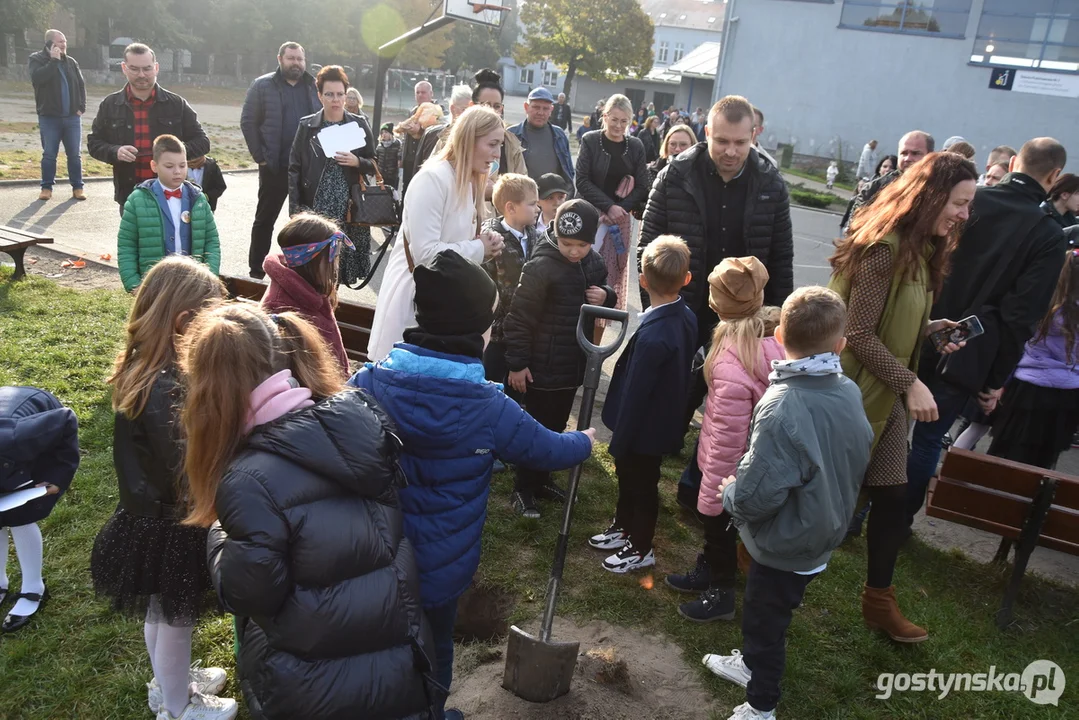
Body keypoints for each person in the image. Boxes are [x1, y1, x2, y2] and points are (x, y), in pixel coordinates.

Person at [348, 249, 594, 720]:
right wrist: (582, 442)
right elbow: (543, 449)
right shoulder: (487, 407)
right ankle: (433, 713)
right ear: (474, 329)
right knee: (438, 645)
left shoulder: (370, 383)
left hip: (377, 555)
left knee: (383, 645)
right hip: (442, 565)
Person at [183, 302, 440, 720]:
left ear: (209, 388)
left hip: (316, 685)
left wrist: (219, 534)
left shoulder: (249, 481)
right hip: (399, 660)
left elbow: (249, 592)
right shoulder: (356, 424)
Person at [701, 287, 873, 720]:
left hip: (786, 542)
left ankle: (761, 705)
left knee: (765, 623)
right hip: (824, 527)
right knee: (771, 612)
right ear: (840, 345)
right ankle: (752, 666)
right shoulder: (849, 390)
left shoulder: (782, 404)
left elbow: (759, 494)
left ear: (778, 334)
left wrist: (729, 492)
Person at [829, 151, 978, 643]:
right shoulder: (885, 249)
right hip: (851, 397)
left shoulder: (921, 252)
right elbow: (858, 333)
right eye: (958, 203)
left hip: (883, 398)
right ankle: (743, 555)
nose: (963, 215)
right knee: (818, 495)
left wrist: (929, 329)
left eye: (967, 205)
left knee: (892, 499)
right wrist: (911, 382)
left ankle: (879, 602)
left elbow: (887, 328)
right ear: (931, 196)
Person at [89, 257, 235, 720]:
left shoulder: (145, 368)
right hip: (173, 520)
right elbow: (184, 462)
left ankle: (168, 681)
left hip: (145, 516)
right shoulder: (168, 387)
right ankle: (178, 706)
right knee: (175, 619)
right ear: (185, 323)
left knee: (160, 610)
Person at [640, 95, 793, 510]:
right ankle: (644, 485)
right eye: (722, 140)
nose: (730, 151)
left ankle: (698, 488)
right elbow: (649, 246)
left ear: (754, 136)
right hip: (683, 309)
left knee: (730, 414)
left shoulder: (770, 182)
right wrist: (657, 311)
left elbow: (781, 257)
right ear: (707, 131)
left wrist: (775, 325)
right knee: (674, 399)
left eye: (740, 143)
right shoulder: (676, 175)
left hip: (745, 319)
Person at [905, 138, 1069, 527]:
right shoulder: (1048, 234)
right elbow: (1021, 316)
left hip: (917, 322)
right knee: (928, 439)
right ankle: (897, 520)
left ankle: (858, 512)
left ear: (1013, 163)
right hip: (971, 351)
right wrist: (995, 380)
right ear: (1055, 176)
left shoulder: (969, 200)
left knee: (890, 426)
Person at [665, 257, 785, 623]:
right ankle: (708, 567)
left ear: (719, 304)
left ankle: (722, 591)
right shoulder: (768, 340)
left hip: (729, 467)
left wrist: (715, 485)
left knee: (718, 525)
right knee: (719, 531)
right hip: (742, 461)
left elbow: (729, 431)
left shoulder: (733, 358)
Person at [504, 199, 616, 517]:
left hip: (571, 364)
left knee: (555, 426)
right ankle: (523, 488)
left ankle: (542, 479)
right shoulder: (541, 265)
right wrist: (517, 363)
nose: (574, 252)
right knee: (535, 427)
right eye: (568, 244)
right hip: (540, 366)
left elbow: (605, 292)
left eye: (582, 245)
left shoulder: (592, 262)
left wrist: (606, 295)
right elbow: (519, 317)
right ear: (555, 233)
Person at [368, 106, 507, 361]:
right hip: (414, 303)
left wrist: (483, 244)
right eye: (493, 144)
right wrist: (479, 249)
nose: (497, 154)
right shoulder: (433, 178)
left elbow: (452, 242)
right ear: (468, 139)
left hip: (442, 306)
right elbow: (426, 254)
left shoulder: (466, 181)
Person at [590, 237, 695, 573]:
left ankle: (640, 546)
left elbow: (636, 394)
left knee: (641, 485)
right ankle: (624, 526)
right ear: (687, 279)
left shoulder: (654, 337)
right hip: (656, 423)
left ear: (643, 281)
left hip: (642, 430)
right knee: (630, 481)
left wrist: (618, 443)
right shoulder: (686, 316)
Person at [88, 43, 209, 212]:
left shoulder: (176, 104)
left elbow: (203, 142)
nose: (142, 74)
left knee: (174, 239)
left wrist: (173, 155)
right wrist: (114, 151)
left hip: (171, 194)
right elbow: (94, 143)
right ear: (124, 68)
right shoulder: (110, 105)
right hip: (130, 195)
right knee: (133, 239)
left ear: (156, 68)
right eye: (134, 69)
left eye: (147, 68)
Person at [988, 250, 1079, 469]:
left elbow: (1019, 343)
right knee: (1045, 461)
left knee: (1007, 454)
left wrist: (1000, 382)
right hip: (1067, 394)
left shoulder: (1044, 305)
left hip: (1027, 389)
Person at [0, 386, 78, 636]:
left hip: (34, 436)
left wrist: (56, 477)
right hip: (7, 455)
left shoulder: (19, 437)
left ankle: (34, 587)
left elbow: (65, 420)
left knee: (20, 516)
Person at [288, 65, 377, 283]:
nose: (335, 100)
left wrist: (358, 162)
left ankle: (331, 311)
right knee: (315, 269)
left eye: (340, 94)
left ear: (346, 96)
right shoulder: (307, 125)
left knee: (340, 270)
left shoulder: (359, 123)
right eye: (329, 94)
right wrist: (294, 212)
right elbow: (294, 168)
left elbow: (374, 163)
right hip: (316, 205)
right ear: (320, 96)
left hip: (349, 206)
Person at [240, 42, 320, 278]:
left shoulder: (315, 86)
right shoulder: (262, 85)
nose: (296, 63)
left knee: (305, 224)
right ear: (280, 59)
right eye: (291, 58)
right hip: (274, 167)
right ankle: (256, 272)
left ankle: (302, 276)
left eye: (300, 59)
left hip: (307, 170)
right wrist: (261, 158)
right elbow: (248, 122)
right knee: (265, 220)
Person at [575, 94, 651, 331]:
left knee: (610, 274)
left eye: (624, 121)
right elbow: (583, 181)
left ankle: (598, 327)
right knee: (582, 266)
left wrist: (621, 208)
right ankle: (575, 317)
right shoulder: (590, 140)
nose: (618, 126)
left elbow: (643, 185)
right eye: (614, 119)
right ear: (604, 116)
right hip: (591, 214)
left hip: (620, 220)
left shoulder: (635, 145)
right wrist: (608, 206)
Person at [117, 135, 221, 293]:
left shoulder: (198, 199)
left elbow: (212, 241)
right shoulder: (137, 200)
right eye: (169, 166)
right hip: (153, 288)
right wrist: (133, 284)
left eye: (182, 165)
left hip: (192, 286)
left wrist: (209, 278)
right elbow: (127, 245)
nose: (177, 172)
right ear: (154, 166)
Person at [261, 213, 351, 374]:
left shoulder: (310, 289)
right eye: (333, 258)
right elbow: (296, 373)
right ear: (310, 260)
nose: (336, 266)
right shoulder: (281, 308)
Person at [482, 174, 543, 400]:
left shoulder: (538, 238)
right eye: (531, 203)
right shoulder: (492, 240)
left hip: (526, 334)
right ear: (511, 207)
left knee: (517, 398)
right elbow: (486, 290)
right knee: (493, 394)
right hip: (496, 337)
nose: (537, 208)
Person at [28, 29, 86, 201]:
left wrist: (81, 107)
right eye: (60, 42)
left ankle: (78, 187)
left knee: (74, 155)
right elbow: (37, 79)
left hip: (72, 118)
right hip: (49, 117)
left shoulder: (71, 62)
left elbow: (81, 85)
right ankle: (46, 188)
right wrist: (53, 61)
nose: (64, 45)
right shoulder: (36, 60)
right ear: (50, 44)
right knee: (49, 154)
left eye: (64, 41)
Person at [844, 131, 934, 230]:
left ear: (930, 155)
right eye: (904, 153)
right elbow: (854, 225)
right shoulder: (876, 187)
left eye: (915, 153)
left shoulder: (938, 190)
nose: (908, 158)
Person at [468, 69, 528, 208]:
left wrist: (497, 190)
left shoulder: (511, 144)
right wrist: (476, 189)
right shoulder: (451, 140)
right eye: (485, 105)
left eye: (497, 106)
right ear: (472, 106)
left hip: (499, 224)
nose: (492, 111)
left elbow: (523, 188)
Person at [508, 87, 575, 187]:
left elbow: (568, 171)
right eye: (536, 107)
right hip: (521, 198)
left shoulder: (559, 135)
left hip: (554, 200)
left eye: (545, 108)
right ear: (526, 107)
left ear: (551, 110)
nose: (540, 113)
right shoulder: (511, 135)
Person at [416, 85, 473, 172]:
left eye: (472, 111)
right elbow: (423, 170)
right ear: (453, 109)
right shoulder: (434, 135)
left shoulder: (475, 138)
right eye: (464, 109)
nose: (468, 115)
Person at [398, 102, 446, 196]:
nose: (420, 95)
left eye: (423, 92)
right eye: (418, 92)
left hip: (428, 164)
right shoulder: (414, 111)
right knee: (407, 189)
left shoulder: (437, 112)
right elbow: (400, 131)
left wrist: (420, 130)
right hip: (410, 160)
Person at [645, 125, 697, 192]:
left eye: (683, 144)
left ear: (693, 145)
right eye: (672, 144)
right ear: (666, 145)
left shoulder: (701, 174)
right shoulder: (651, 172)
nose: (677, 149)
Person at [375, 121, 403, 190]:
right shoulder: (379, 146)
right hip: (381, 175)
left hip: (392, 176)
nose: (384, 134)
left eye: (386, 132)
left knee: (391, 193)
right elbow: (376, 159)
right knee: (380, 193)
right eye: (382, 132)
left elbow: (399, 157)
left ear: (391, 134)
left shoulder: (397, 145)